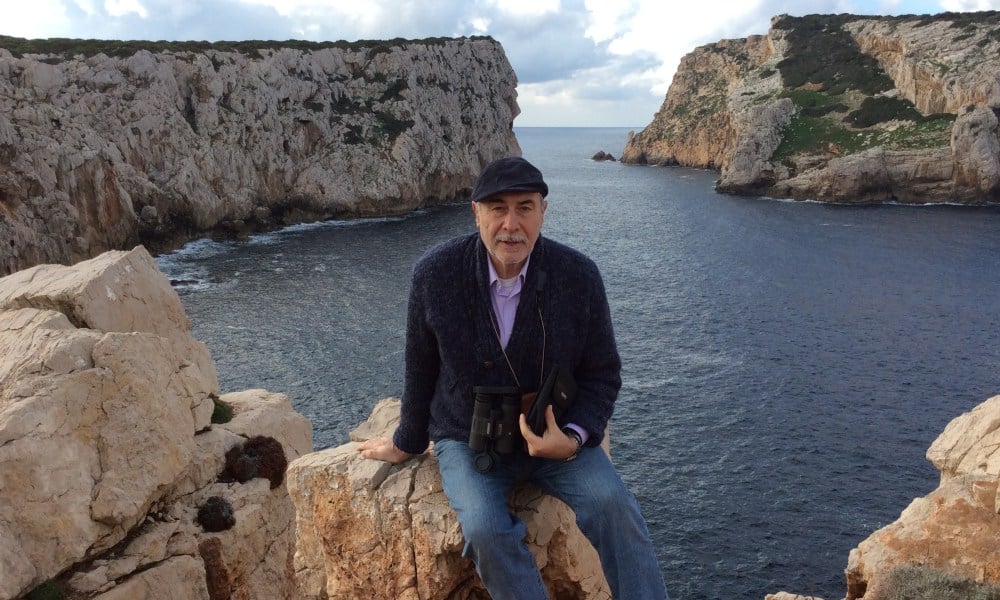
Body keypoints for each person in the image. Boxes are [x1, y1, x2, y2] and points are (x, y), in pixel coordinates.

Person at [358, 156, 669, 599]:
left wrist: (575, 437)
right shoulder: (435, 273)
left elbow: (603, 374)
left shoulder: (578, 276)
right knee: (484, 530)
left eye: (524, 207)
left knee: (615, 508)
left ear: (544, 211)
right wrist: (407, 440)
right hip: (468, 438)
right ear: (475, 212)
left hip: (555, 436)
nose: (510, 224)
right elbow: (420, 366)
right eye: (497, 208)